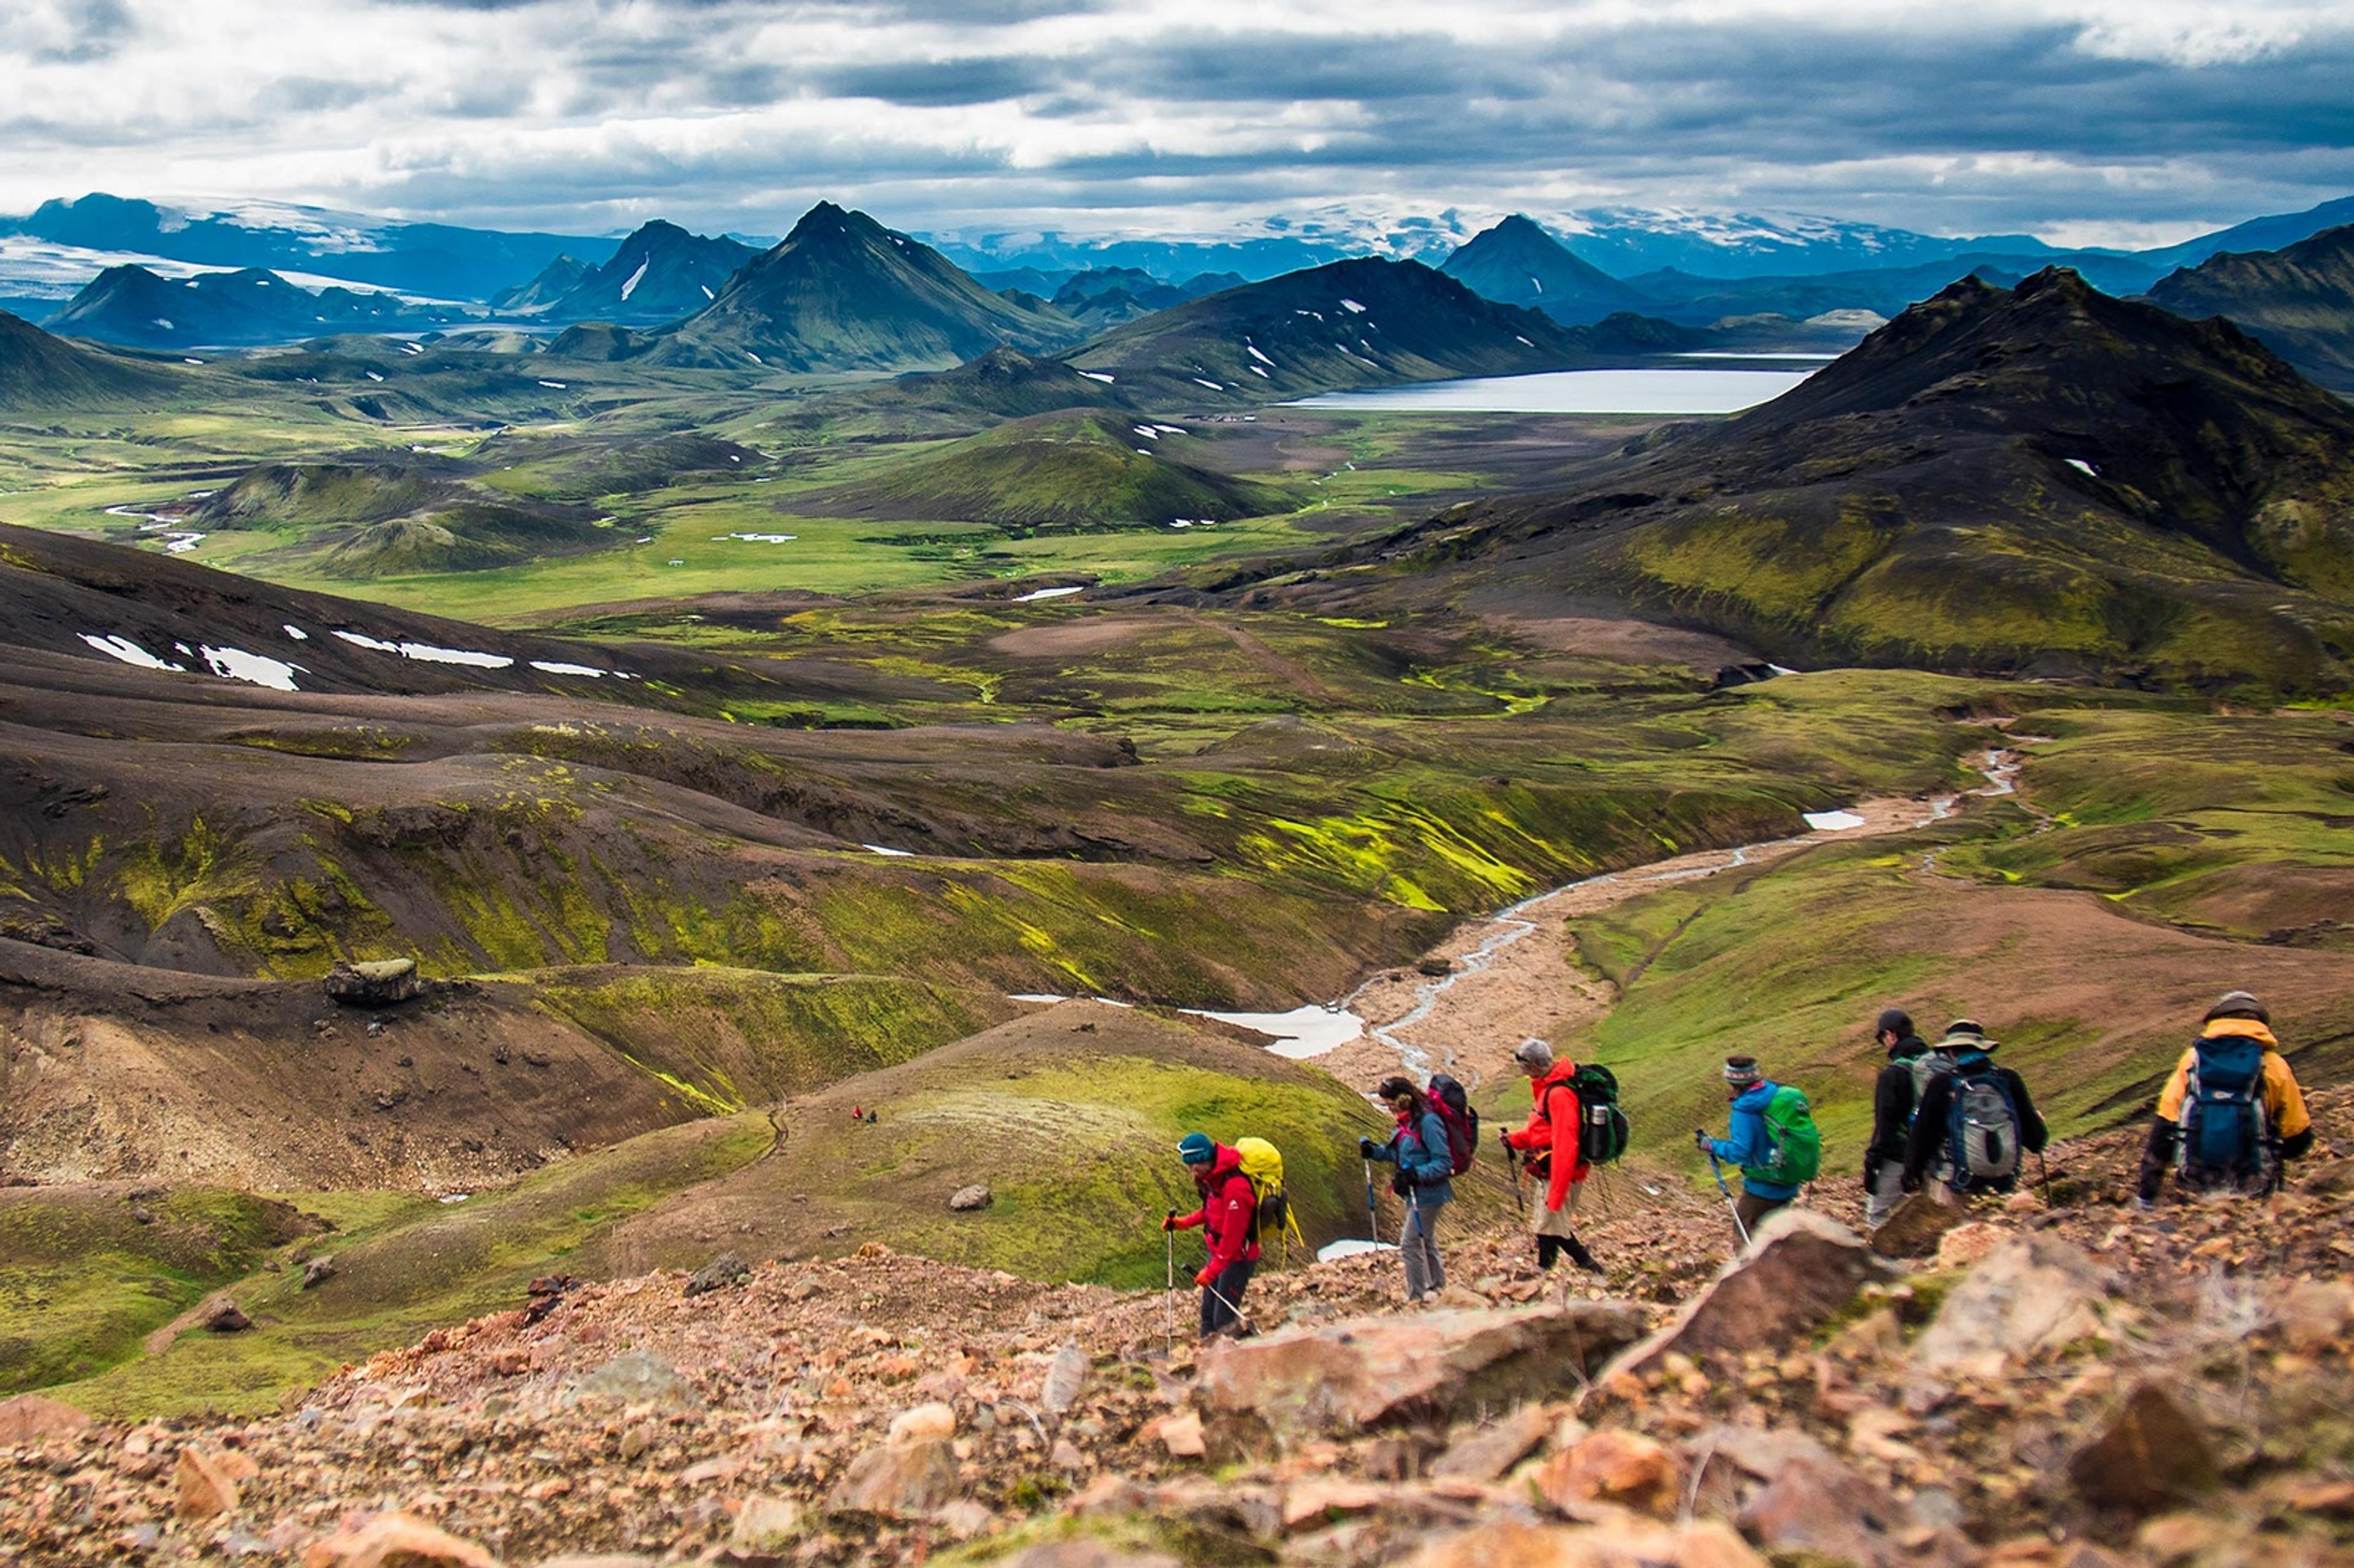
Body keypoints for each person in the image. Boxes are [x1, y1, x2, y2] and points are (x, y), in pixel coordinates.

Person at [2136, 991, 2314, 1206]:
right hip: (2256, 1193)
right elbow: (2298, 1140)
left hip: (2196, 1189)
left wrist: (2146, 1196)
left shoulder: (2192, 1062)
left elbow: (2164, 1130)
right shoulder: (2274, 1066)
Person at [1901, 1020, 2047, 1203]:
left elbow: (1922, 1136)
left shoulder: (1943, 1083)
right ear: (1983, 1049)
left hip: (1957, 1183)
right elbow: (2037, 1141)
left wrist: (1911, 1175)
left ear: (1952, 1051)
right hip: (2003, 1183)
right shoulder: (2008, 1080)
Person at [1498, 1040, 1603, 1274]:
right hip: (1550, 1168)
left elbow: (1567, 1143)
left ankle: (1580, 1268)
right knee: (1549, 1224)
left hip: (1560, 1171)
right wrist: (1515, 1140)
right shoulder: (1549, 1087)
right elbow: (1542, 1132)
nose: (1522, 1072)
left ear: (1535, 1065)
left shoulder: (1559, 1094)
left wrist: (1558, 1189)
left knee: (1552, 1224)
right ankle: (1551, 1267)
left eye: (1523, 1066)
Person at [1359, 1076, 1457, 1302]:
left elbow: (1444, 1162)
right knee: (1426, 1240)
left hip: (1429, 1193)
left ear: (1404, 1099)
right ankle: (1438, 1287)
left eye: (1391, 1104)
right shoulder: (1408, 1121)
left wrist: (1416, 1174)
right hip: (1416, 1192)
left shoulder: (1429, 1122)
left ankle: (1418, 1295)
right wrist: (1374, 1151)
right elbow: (1399, 1153)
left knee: (1410, 1243)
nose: (1390, 1109)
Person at [1163, 1131, 1260, 1338]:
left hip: (1237, 1259)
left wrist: (1212, 1271)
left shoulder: (1236, 1188)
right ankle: (1208, 1361)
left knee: (1223, 1320)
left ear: (1204, 1159)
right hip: (1218, 1253)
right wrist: (1184, 1223)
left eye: (1193, 1166)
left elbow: (1233, 1238)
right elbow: (1212, 1212)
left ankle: (1246, 1356)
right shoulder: (1215, 1180)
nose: (1192, 1172)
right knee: (1208, 1316)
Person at [1696, 1055, 1802, 1241]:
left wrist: (1711, 1145)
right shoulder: (1774, 1093)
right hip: (1788, 1180)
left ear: (1731, 1080)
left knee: (1744, 1237)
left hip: (1763, 1187)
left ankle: (1758, 1270)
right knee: (1775, 1236)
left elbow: (1740, 1151)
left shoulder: (1745, 1109)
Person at [1862, 1008, 1931, 1227]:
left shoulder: (1893, 1075)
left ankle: (1886, 1260)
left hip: (1900, 1156)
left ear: (1891, 1035)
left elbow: (1886, 1126)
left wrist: (1872, 1163)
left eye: (1883, 1039)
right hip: (1937, 1154)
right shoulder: (1935, 1065)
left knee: (1878, 1217)